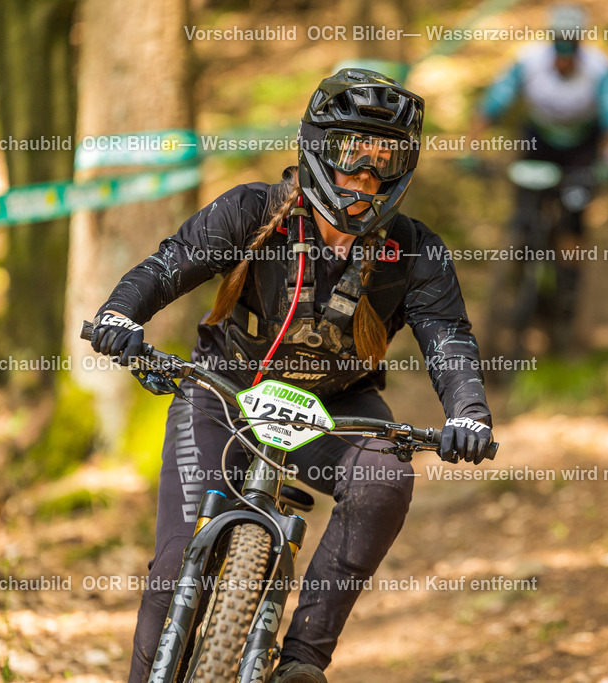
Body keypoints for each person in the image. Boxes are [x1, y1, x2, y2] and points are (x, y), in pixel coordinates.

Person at [90, 68, 494, 683]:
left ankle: (303, 660)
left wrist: (469, 412)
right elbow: (169, 263)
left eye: (384, 159)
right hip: (223, 394)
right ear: (315, 148)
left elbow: (449, 340)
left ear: (404, 168)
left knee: (385, 478)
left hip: (334, 410)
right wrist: (121, 315)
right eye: (351, 153)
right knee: (174, 567)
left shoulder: (416, 252)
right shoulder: (253, 210)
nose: (365, 175)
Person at [470, 4, 608, 350]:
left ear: (578, 46)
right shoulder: (528, 62)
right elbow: (494, 102)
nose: (563, 59)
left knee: (573, 222)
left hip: (581, 151)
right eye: (558, 48)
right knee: (523, 208)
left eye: (569, 50)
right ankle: (516, 265)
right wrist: (472, 146)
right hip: (538, 144)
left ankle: (568, 295)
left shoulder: (598, 70)